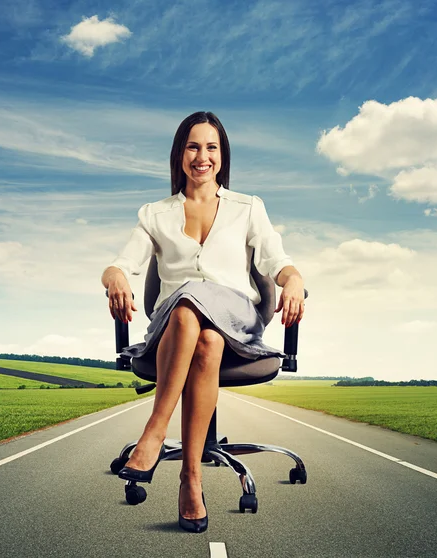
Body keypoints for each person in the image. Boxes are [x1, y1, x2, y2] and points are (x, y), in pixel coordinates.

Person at [101, 111, 305, 533]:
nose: (202, 156)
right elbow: (121, 265)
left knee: (192, 301)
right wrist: (116, 276)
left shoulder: (249, 208)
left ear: (222, 155)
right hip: (177, 329)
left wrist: (295, 280)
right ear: (180, 155)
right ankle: (190, 480)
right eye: (193, 146)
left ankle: (153, 434)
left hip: (238, 321)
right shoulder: (154, 214)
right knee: (197, 325)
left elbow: (276, 261)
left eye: (211, 147)